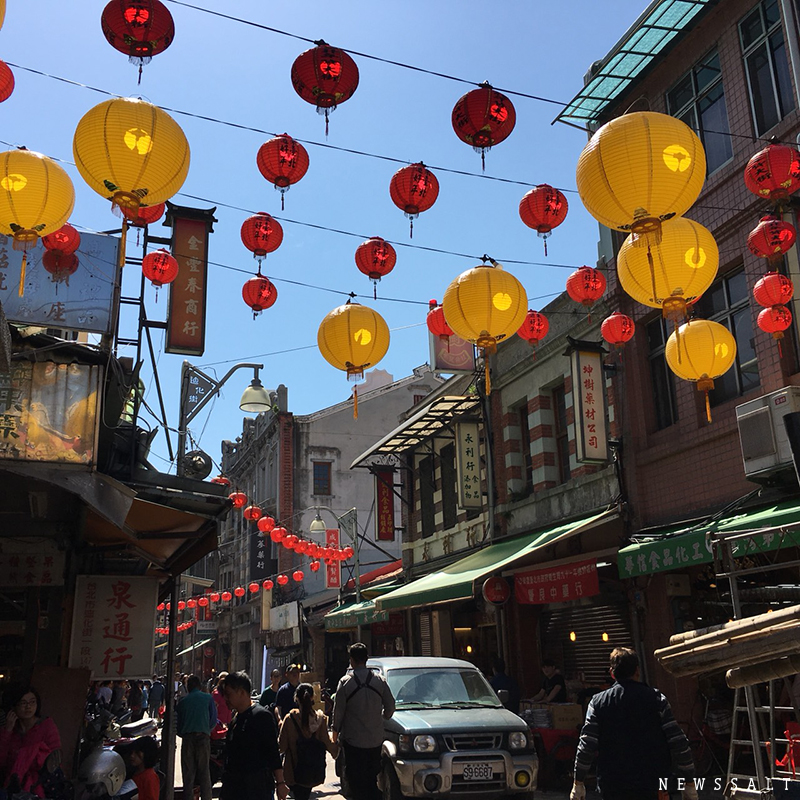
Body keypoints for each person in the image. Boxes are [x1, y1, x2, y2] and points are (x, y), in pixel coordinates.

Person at [571, 648, 698, 800]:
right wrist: (689, 782)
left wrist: (578, 782)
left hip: (613, 786)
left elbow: (587, 745)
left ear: (612, 673)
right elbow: (678, 742)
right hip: (654, 786)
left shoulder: (597, 703)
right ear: (637, 671)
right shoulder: (657, 699)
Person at [332, 642, 395, 800]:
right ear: (366, 659)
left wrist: (335, 733)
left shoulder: (345, 682)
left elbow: (338, 712)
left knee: (356, 782)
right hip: (375, 740)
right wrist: (381, 717)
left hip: (353, 742)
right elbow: (391, 707)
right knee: (372, 779)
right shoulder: (379, 681)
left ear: (351, 660)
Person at [220, 671, 288, 800]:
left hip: (256, 788)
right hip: (234, 787)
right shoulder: (236, 719)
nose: (226, 699)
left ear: (241, 692)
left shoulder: (261, 716)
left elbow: (273, 751)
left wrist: (280, 783)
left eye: (229, 694)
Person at [279, 683, 339, 800]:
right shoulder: (320, 720)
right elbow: (328, 743)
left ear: (296, 698)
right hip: (313, 771)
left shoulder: (290, 719)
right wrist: (337, 750)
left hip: (294, 771)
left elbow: (281, 746)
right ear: (312, 698)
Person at [0, 684, 61, 798]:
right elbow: (2, 761)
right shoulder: (10, 729)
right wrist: (7, 731)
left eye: (32, 702)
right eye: (23, 703)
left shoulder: (46, 726)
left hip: (39, 787)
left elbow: (55, 759)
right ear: (13, 706)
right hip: (12, 788)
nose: (28, 707)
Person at [176, 674, 217, 800]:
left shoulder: (183, 702)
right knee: (204, 772)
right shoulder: (208, 698)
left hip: (188, 739)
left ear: (188, 687)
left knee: (188, 775)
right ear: (200, 686)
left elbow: (179, 725)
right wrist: (205, 730)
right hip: (203, 738)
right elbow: (213, 720)